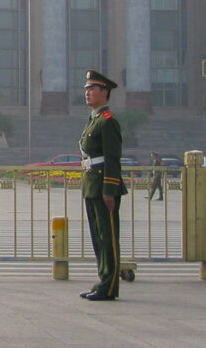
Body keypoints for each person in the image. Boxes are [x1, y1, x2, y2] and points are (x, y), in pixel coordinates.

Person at [79, 69, 127, 301]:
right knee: (98, 236)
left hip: (103, 187)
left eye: (92, 89)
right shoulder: (94, 120)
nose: (87, 93)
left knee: (108, 237)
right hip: (92, 184)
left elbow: (112, 158)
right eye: (86, 89)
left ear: (104, 93)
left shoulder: (108, 122)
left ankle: (109, 286)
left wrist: (109, 189)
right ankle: (103, 280)